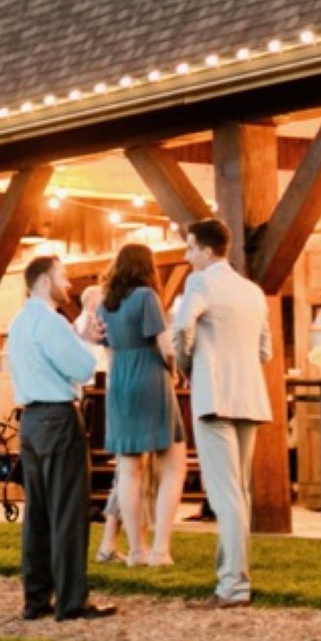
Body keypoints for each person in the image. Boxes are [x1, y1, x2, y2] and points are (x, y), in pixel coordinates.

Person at [172, 218, 272, 610]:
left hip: (214, 396)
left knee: (226, 494)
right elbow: (266, 351)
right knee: (238, 493)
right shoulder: (252, 291)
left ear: (207, 250)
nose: (186, 255)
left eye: (190, 247)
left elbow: (182, 327)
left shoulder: (201, 283)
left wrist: (185, 363)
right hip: (250, 396)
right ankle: (229, 578)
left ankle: (233, 586)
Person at [8, 254, 113, 622]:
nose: (68, 283)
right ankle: (71, 601)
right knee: (69, 511)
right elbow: (83, 369)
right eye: (62, 276)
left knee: (37, 514)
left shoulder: (19, 322)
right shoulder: (51, 322)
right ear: (43, 282)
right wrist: (83, 341)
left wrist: (74, 336)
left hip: (31, 422)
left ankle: (35, 599)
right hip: (58, 417)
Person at [97, 243, 186, 566]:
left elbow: (106, 353)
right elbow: (165, 346)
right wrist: (175, 372)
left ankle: (136, 551)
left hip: (119, 381)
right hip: (150, 377)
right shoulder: (146, 297)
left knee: (128, 470)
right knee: (174, 464)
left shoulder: (105, 304)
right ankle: (160, 550)